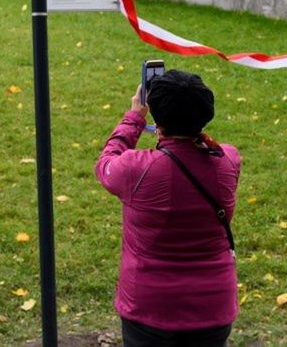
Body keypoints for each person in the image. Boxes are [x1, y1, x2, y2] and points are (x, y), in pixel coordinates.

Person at [97, 69, 240, 346]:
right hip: (213, 308)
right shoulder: (229, 160)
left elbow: (106, 164)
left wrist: (134, 118)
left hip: (150, 309)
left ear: (157, 117)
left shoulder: (133, 169)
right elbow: (196, 151)